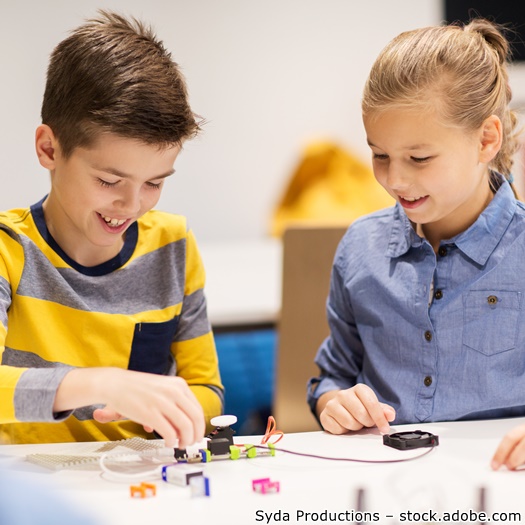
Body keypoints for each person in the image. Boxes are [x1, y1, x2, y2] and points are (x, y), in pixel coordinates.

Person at [0, 10, 223, 447]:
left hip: (135, 482)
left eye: (154, 183)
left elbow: (207, 390)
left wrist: (173, 410)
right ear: (49, 148)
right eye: (108, 181)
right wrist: (101, 382)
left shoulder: (173, 246)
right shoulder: (9, 249)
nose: (131, 205)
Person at [307, 18, 525, 439]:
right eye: (380, 155)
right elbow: (332, 377)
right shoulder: (360, 247)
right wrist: (334, 403)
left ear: (486, 140)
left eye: (419, 158)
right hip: (387, 479)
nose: (395, 180)